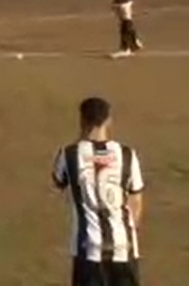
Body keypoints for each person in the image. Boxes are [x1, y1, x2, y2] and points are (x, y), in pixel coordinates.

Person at [52, 97, 144, 285]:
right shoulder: (127, 154)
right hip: (123, 248)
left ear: (82, 120)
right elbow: (136, 201)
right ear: (108, 120)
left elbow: (58, 180)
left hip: (88, 250)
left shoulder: (69, 154)